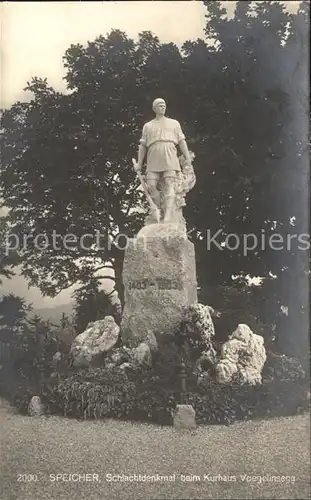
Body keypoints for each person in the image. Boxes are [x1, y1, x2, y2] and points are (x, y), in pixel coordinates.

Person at [134, 98, 192, 222]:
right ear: (154, 108)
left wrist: (187, 156)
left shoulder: (174, 123)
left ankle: (168, 216)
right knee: (150, 185)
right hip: (153, 154)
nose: (162, 107)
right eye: (159, 106)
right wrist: (139, 163)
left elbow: (182, 141)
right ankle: (158, 210)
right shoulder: (148, 126)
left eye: (164, 105)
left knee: (170, 184)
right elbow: (143, 146)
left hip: (169, 152)